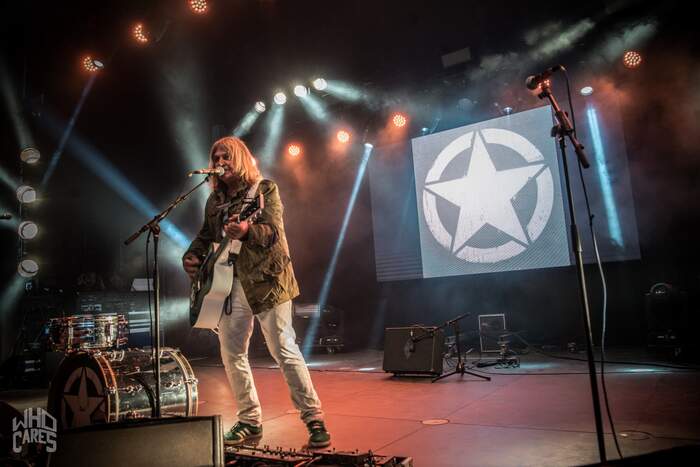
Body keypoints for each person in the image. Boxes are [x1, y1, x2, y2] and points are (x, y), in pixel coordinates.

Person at [182, 136, 330, 448]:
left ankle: (313, 418)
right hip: (229, 283)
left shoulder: (264, 189)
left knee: (283, 350)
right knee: (232, 353)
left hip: (268, 281)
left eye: (226, 157)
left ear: (240, 159)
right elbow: (206, 235)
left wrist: (248, 230)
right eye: (216, 158)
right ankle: (249, 420)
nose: (220, 163)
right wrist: (192, 255)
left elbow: (274, 232)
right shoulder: (214, 202)